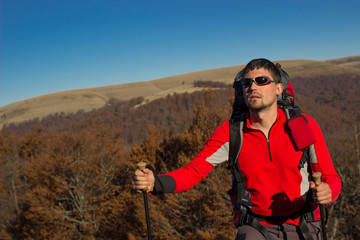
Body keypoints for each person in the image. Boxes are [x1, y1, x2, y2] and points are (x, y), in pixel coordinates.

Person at [132, 58, 342, 239]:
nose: (253, 87)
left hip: (304, 223)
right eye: (247, 83)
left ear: (279, 89)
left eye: (262, 81)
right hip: (256, 227)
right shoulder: (232, 133)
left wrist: (328, 192)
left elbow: (331, 177)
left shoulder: (301, 126)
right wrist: (156, 183)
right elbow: (194, 171)